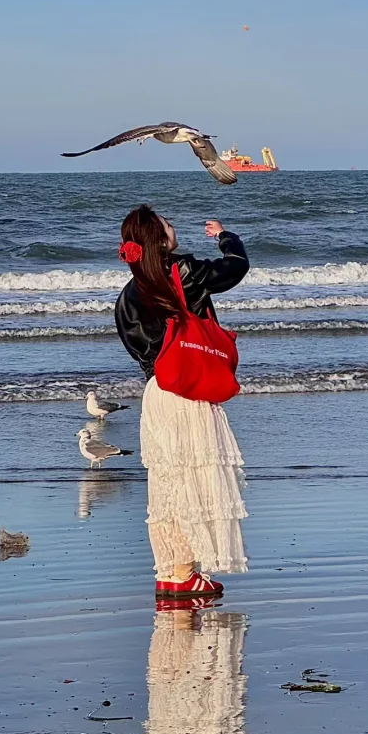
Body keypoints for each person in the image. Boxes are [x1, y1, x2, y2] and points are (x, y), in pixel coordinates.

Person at [115, 205, 250, 599]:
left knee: (168, 484)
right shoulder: (184, 273)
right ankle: (187, 571)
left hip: (157, 395)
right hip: (188, 390)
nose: (174, 229)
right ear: (160, 240)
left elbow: (137, 348)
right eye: (168, 226)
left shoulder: (128, 294)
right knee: (195, 480)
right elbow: (235, 267)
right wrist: (226, 236)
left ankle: (171, 572)